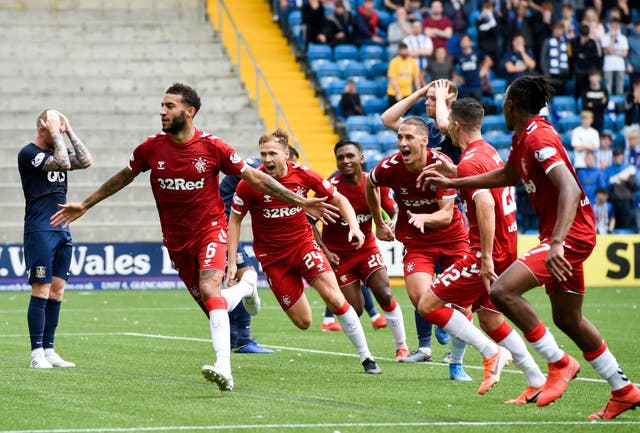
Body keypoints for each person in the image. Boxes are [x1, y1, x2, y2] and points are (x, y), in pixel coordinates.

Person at [49, 83, 337, 391]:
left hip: (211, 230)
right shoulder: (151, 148)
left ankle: (224, 368)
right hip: (177, 242)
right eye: (162, 105)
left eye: (169, 106)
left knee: (209, 286)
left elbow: (254, 176)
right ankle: (248, 285)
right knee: (215, 305)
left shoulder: (214, 147)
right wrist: (86, 204)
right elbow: (124, 175)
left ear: (190, 112)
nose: (162, 111)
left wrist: (301, 201)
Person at [420, 75, 640, 419]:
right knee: (568, 318)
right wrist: (454, 180)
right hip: (561, 234)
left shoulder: (538, 136)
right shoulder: (521, 138)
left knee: (502, 291)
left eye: (504, 103)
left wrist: (555, 244)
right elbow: (507, 175)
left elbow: (568, 187)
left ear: (510, 105)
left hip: (569, 235)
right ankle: (623, 389)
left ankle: (559, 363)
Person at [416, 97, 547, 402]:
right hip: (506, 246)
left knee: (427, 305)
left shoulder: (470, 161)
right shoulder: (487, 151)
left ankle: (491, 353)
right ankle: (536, 378)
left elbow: (485, 202)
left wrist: (485, 257)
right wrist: (455, 174)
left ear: (457, 125)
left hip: (486, 252)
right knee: (489, 319)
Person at [227, 128, 383, 374]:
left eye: (272, 154)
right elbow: (234, 221)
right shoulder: (251, 183)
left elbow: (340, 199)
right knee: (303, 322)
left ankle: (367, 357)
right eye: (263, 154)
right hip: (273, 258)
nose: (267, 160)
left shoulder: (304, 175)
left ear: (286, 154)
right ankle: (250, 288)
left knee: (334, 297)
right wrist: (232, 262)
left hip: (303, 246)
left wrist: (355, 227)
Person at [366, 117, 470, 372]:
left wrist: (426, 217)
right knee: (421, 298)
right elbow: (370, 184)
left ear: (424, 141)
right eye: (400, 137)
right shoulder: (390, 166)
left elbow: (446, 214)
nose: (402, 143)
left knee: (463, 304)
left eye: (408, 138)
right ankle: (428, 344)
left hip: (453, 239)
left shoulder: (441, 165)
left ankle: (456, 360)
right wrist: (379, 222)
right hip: (418, 242)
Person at [320, 140, 410, 360]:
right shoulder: (330, 188)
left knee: (385, 293)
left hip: (366, 249)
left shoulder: (374, 184)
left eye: (350, 156)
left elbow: (394, 210)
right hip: (338, 257)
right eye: (340, 157)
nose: (345, 161)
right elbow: (309, 221)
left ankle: (402, 347)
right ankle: (364, 351)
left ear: (361, 158)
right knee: (355, 311)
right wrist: (324, 251)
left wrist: (390, 223)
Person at [19, 109, 92, 369]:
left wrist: (68, 130)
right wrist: (54, 132)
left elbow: (86, 160)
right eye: (55, 129)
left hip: (62, 228)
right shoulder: (29, 154)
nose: (59, 133)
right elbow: (62, 162)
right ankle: (36, 352)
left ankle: (50, 349)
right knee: (41, 288)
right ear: (43, 127)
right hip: (39, 229)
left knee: (58, 290)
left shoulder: (57, 148)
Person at [219, 157, 274, 355]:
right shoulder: (256, 170)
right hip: (221, 227)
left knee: (232, 280)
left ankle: (233, 336)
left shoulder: (252, 165)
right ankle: (242, 340)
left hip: (218, 223)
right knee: (246, 276)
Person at [571, 24, 604, 102]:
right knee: (579, 87)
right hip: (579, 70)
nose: (584, 37)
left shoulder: (592, 42)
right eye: (583, 34)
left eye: (586, 34)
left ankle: (589, 102)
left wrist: (583, 55)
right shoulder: (574, 42)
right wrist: (582, 45)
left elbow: (595, 55)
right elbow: (573, 55)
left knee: (589, 87)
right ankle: (577, 103)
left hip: (589, 70)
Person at [539, 21, 571, 95]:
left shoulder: (566, 42)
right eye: (557, 29)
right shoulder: (547, 41)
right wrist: (546, 72)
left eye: (560, 29)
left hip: (563, 74)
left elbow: (569, 57)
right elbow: (543, 58)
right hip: (550, 74)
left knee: (562, 95)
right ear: (553, 30)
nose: (558, 31)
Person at [386, 42, 421, 108]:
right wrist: (398, 92)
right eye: (402, 50)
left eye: (405, 49)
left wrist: (418, 91)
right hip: (394, 93)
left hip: (407, 93)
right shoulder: (394, 61)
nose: (404, 51)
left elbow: (416, 77)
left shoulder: (412, 61)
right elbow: (392, 78)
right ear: (399, 51)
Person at [601, 14, 629, 96]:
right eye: (613, 24)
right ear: (610, 25)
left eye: (617, 24)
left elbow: (625, 53)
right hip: (608, 65)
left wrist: (613, 52)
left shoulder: (623, 38)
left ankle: (619, 108)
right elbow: (608, 51)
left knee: (620, 89)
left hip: (620, 65)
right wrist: (612, 38)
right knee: (607, 88)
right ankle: (608, 107)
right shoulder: (605, 37)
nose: (615, 26)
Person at [403, 18, 434, 87]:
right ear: (412, 28)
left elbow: (429, 52)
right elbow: (407, 53)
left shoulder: (426, 38)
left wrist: (416, 51)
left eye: (418, 26)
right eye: (415, 27)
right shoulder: (406, 40)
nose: (417, 28)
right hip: (411, 70)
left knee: (427, 90)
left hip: (425, 70)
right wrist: (422, 50)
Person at [582, 69, 609, 133]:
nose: (594, 79)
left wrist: (592, 104)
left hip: (600, 120)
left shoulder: (604, 90)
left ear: (600, 78)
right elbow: (585, 105)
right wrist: (599, 103)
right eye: (592, 76)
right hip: (588, 121)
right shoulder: (585, 90)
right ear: (589, 78)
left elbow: (605, 105)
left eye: (596, 76)